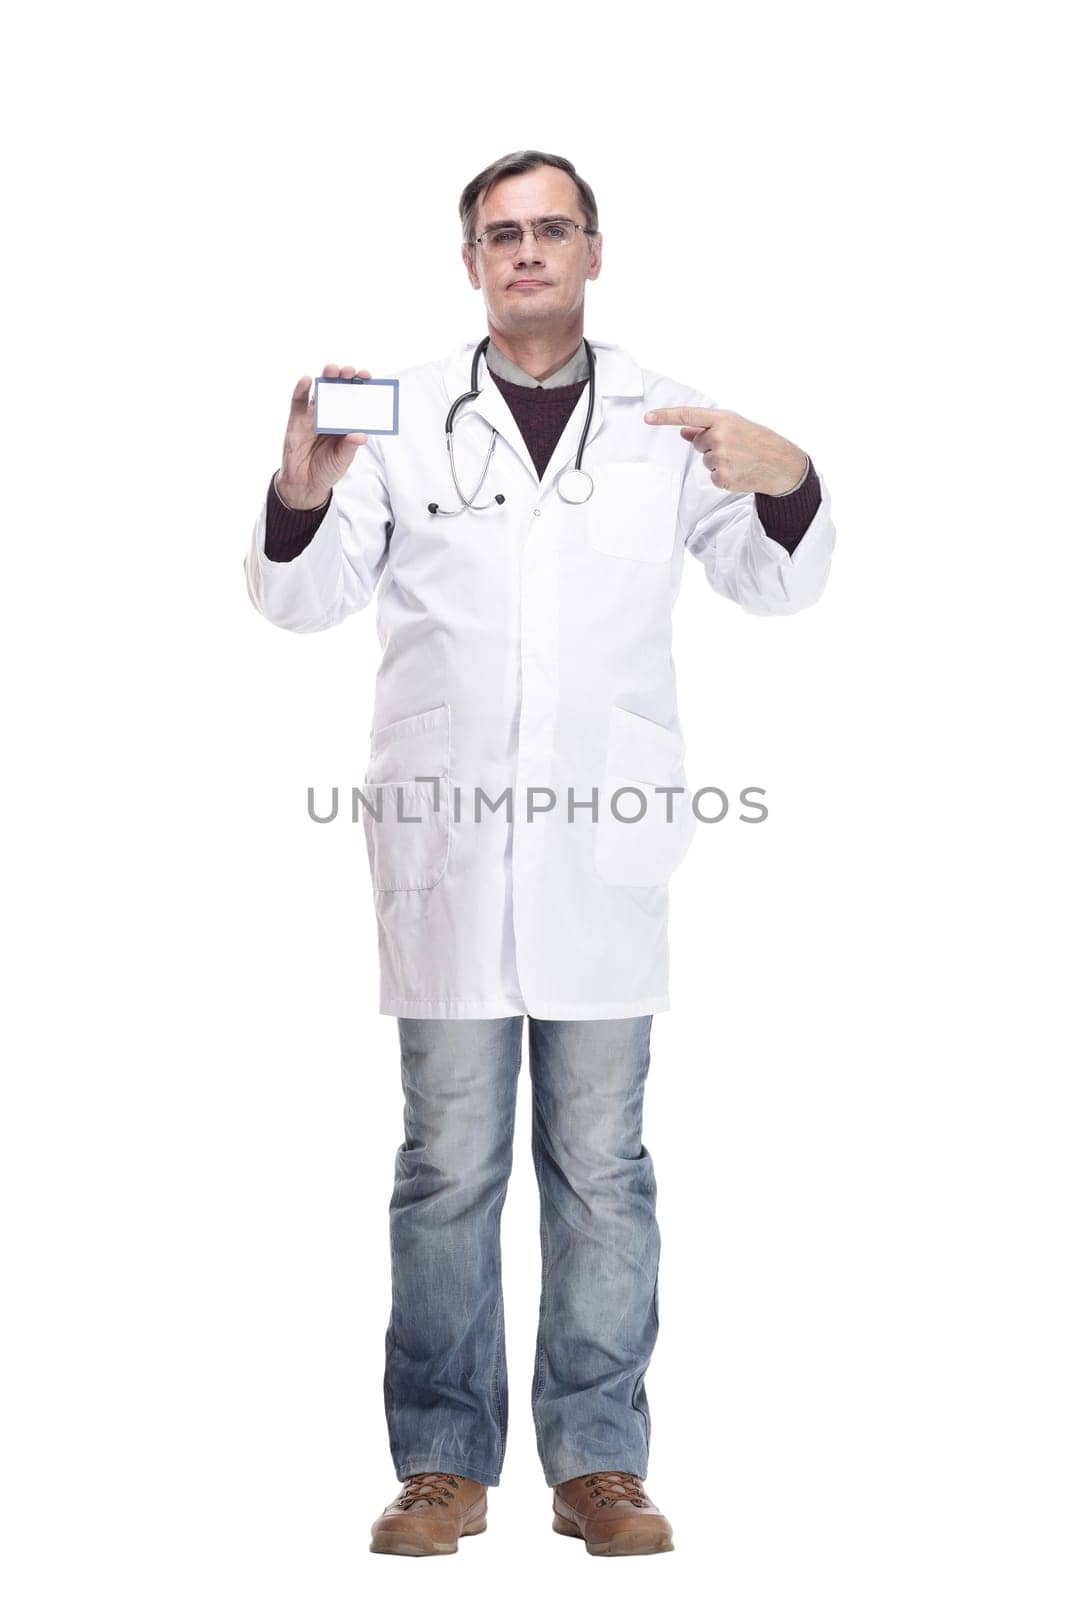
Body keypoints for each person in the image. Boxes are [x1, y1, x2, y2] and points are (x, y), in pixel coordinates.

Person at [244, 149, 836, 1558]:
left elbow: (773, 582)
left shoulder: (670, 419)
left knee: (602, 1162)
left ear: (593, 250)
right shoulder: (394, 423)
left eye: (549, 229)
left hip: (604, 856)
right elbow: (302, 604)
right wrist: (299, 490)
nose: (526, 252)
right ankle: (443, 1464)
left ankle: (599, 1465)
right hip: (447, 849)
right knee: (447, 1163)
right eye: (500, 234)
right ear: (471, 265)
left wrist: (793, 480)